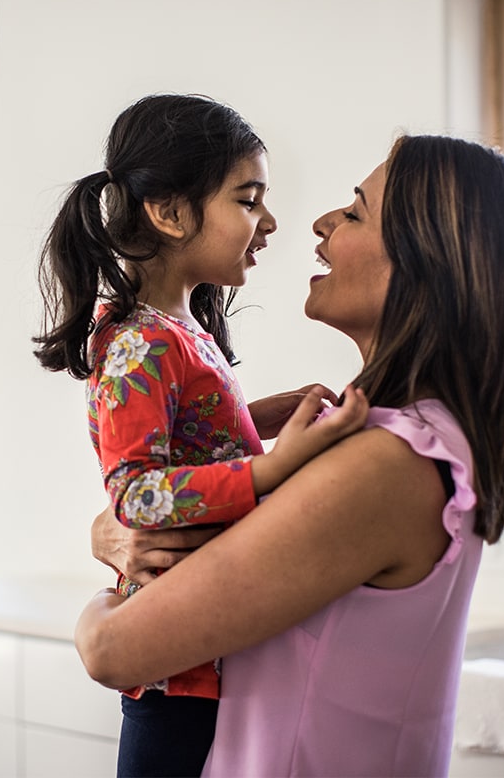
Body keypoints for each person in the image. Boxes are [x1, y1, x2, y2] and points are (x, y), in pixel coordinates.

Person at [76, 133, 504, 777]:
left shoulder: (383, 466)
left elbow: (112, 651)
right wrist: (120, 525)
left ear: (426, 264)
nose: (321, 223)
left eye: (355, 212)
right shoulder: (400, 439)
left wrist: (99, 602)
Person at [32, 93, 369, 777]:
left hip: (205, 646)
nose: (270, 222)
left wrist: (271, 414)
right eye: (248, 200)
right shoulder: (140, 344)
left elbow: (198, 441)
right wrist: (272, 471)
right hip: (177, 669)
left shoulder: (180, 332)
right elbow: (136, 495)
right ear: (170, 212)